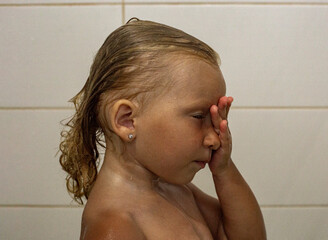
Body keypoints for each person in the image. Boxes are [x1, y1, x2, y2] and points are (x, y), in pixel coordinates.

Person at [59, 18, 266, 240]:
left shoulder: (175, 190)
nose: (214, 139)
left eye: (214, 119)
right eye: (199, 116)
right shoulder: (115, 227)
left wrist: (224, 170)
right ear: (126, 120)